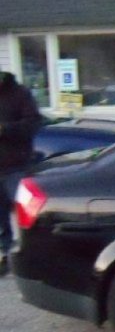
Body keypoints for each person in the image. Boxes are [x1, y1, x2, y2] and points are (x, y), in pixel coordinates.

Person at [0, 70, 40, 276]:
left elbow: (33, 123)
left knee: (27, 212)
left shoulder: (19, 94)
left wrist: (4, 129)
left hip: (15, 165)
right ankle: (3, 256)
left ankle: (32, 254)